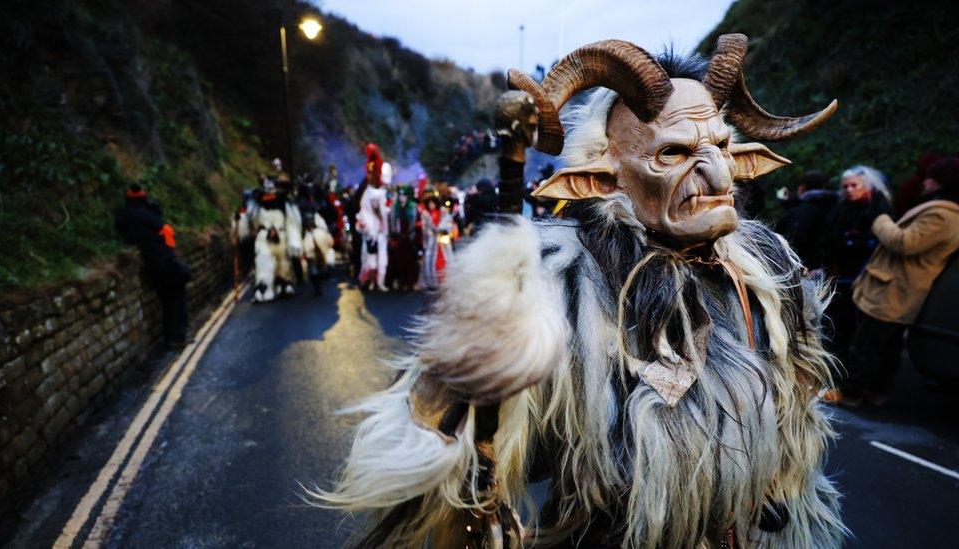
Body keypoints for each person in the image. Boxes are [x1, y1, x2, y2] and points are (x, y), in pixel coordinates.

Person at [314, 36, 846, 547]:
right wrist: (481, 373)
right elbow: (457, 440)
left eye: (723, 147)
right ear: (603, 179)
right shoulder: (570, 287)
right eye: (674, 153)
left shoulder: (767, 273)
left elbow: (797, 420)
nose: (716, 173)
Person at [834, 157, 959, 406]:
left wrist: (880, 219)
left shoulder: (944, 215)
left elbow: (904, 242)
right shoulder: (941, 209)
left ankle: (851, 393)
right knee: (884, 346)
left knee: (867, 345)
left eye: (931, 177)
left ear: (942, 181)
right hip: (894, 287)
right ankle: (874, 392)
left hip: (894, 289)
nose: (925, 182)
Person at [821, 165, 894, 362]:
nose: (849, 190)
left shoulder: (878, 210)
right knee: (838, 328)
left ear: (867, 186)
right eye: (846, 186)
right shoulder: (839, 210)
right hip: (840, 278)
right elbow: (829, 242)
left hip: (867, 279)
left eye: (854, 185)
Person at [114, 184, 191, 347]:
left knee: (165, 301)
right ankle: (177, 337)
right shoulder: (148, 215)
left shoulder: (123, 216)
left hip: (151, 264)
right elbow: (168, 233)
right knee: (177, 299)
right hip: (164, 260)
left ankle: (169, 337)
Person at [776, 171, 837, 269]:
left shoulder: (802, 211)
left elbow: (794, 240)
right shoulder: (835, 204)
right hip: (831, 267)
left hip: (806, 266)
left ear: (802, 187)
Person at [357, 156, 391, 291]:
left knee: (382, 259)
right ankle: (371, 282)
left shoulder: (383, 198)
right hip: (371, 234)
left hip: (381, 233)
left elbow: (386, 214)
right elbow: (361, 219)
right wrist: (365, 227)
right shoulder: (367, 196)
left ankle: (380, 282)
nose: (375, 204)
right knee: (370, 260)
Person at [417, 193, 453, 290]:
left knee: (444, 259)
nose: (431, 205)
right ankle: (432, 281)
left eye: (433, 203)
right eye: (429, 203)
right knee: (430, 260)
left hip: (442, 240)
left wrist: (444, 230)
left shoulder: (443, 212)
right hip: (431, 241)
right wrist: (429, 236)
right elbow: (425, 230)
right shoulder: (426, 214)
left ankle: (444, 280)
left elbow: (449, 224)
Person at [386, 186, 419, 291]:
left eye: (404, 195)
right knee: (397, 261)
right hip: (398, 238)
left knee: (410, 262)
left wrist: (413, 236)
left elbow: (416, 222)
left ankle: (409, 282)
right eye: (400, 195)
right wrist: (392, 235)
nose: (402, 197)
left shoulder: (413, 207)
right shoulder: (394, 207)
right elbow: (391, 222)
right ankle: (400, 281)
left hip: (409, 238)